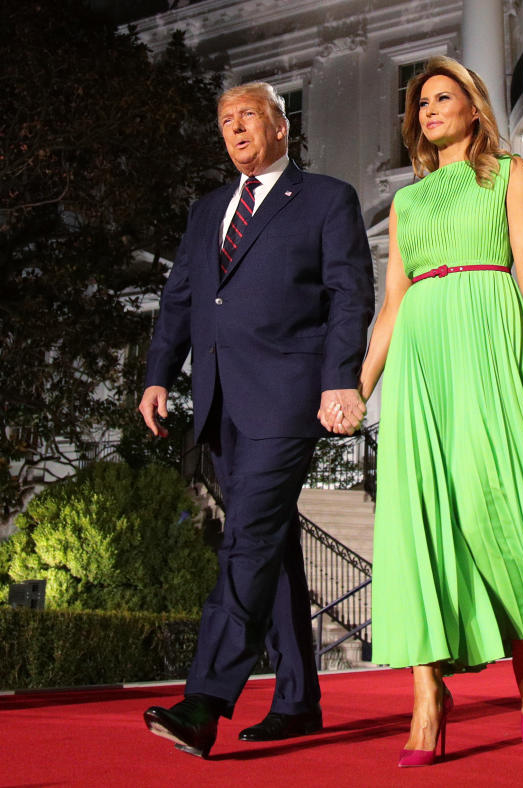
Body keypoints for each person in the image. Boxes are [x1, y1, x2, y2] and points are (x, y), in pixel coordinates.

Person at [359, 56, 523, 767]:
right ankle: (426, 694)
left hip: (489, 334)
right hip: (420, 355)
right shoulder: (408, 205)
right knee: (422, 519)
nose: (430, 111)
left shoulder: (507, 173)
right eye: (421, 105)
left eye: (444, 99)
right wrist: (359, 385)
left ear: (474, 108)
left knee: (486, 509)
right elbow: (393, 304)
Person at [138, 82, 374, 758]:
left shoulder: (327, 198)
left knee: (246, 537)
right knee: (270, 547)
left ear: (280, 126)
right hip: (218, 400)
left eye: (247, 116)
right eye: (224, 121)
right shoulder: (207, 209)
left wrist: (339, 380)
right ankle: (297, 700)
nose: (235, 129)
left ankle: (204, 700)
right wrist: (159, 374)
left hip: (287, 396)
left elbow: (348, 292)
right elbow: (182, 295)